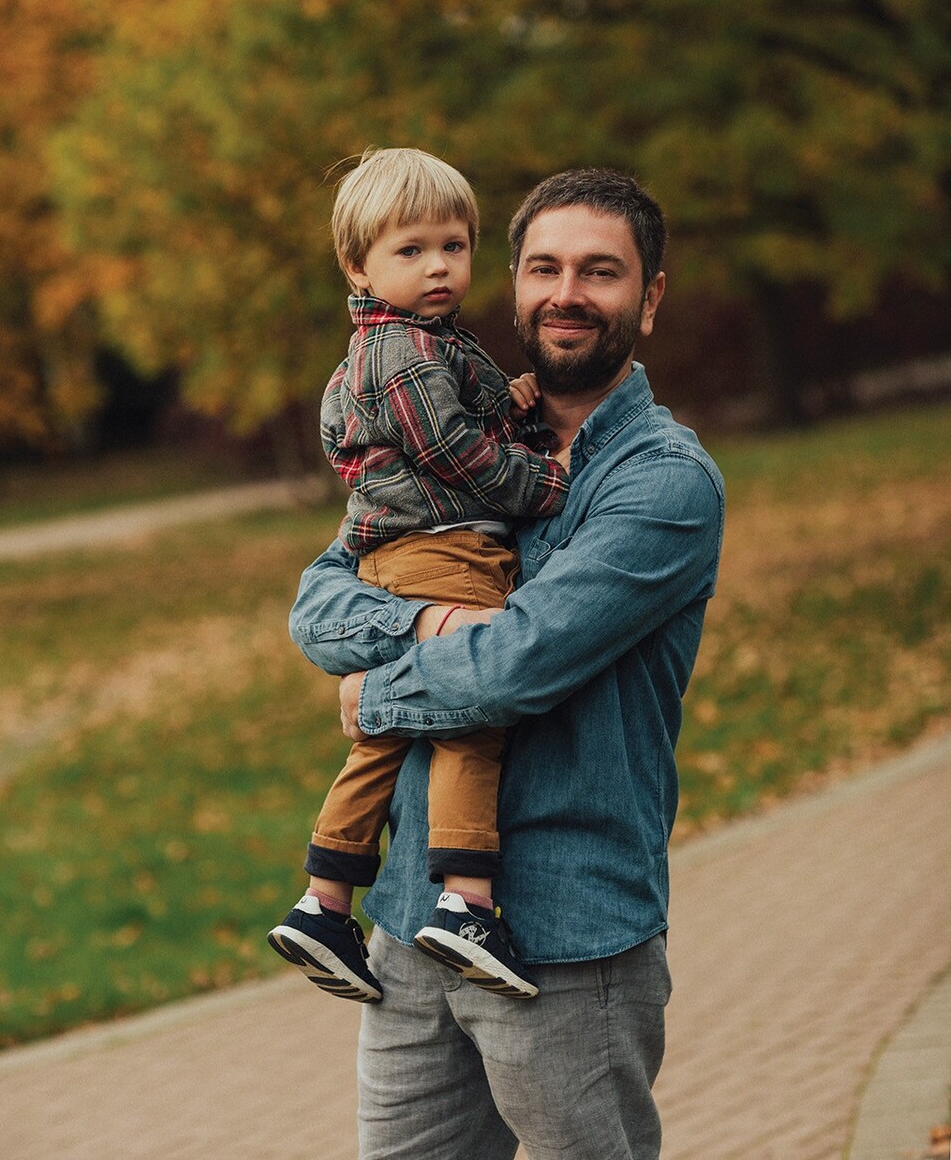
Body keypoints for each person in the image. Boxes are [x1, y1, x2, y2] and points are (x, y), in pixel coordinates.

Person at [287, 167, 725, 1160]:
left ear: (648, 298)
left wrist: (375, 691)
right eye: (544, 267)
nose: (566, 292)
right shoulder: (451, 441)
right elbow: (317, 605)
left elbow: (515, 666)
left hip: (566, 936)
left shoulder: (661, 482)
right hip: (406, 925)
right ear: (515, 282)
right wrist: (435, 625)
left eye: (600, 271)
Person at [268, 147, 569, 1003]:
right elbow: (453, 453)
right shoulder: (401, 354)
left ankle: (325, 899)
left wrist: (506, 403)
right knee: (471, 710)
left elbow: (452, 423)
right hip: (447, 551)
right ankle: (467, 899)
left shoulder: (414, 344)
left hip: (412, 551)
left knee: (387, 730)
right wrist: (546, 481)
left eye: (454, 244)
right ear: (357, 265)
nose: (439, 265)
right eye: (411, 250)